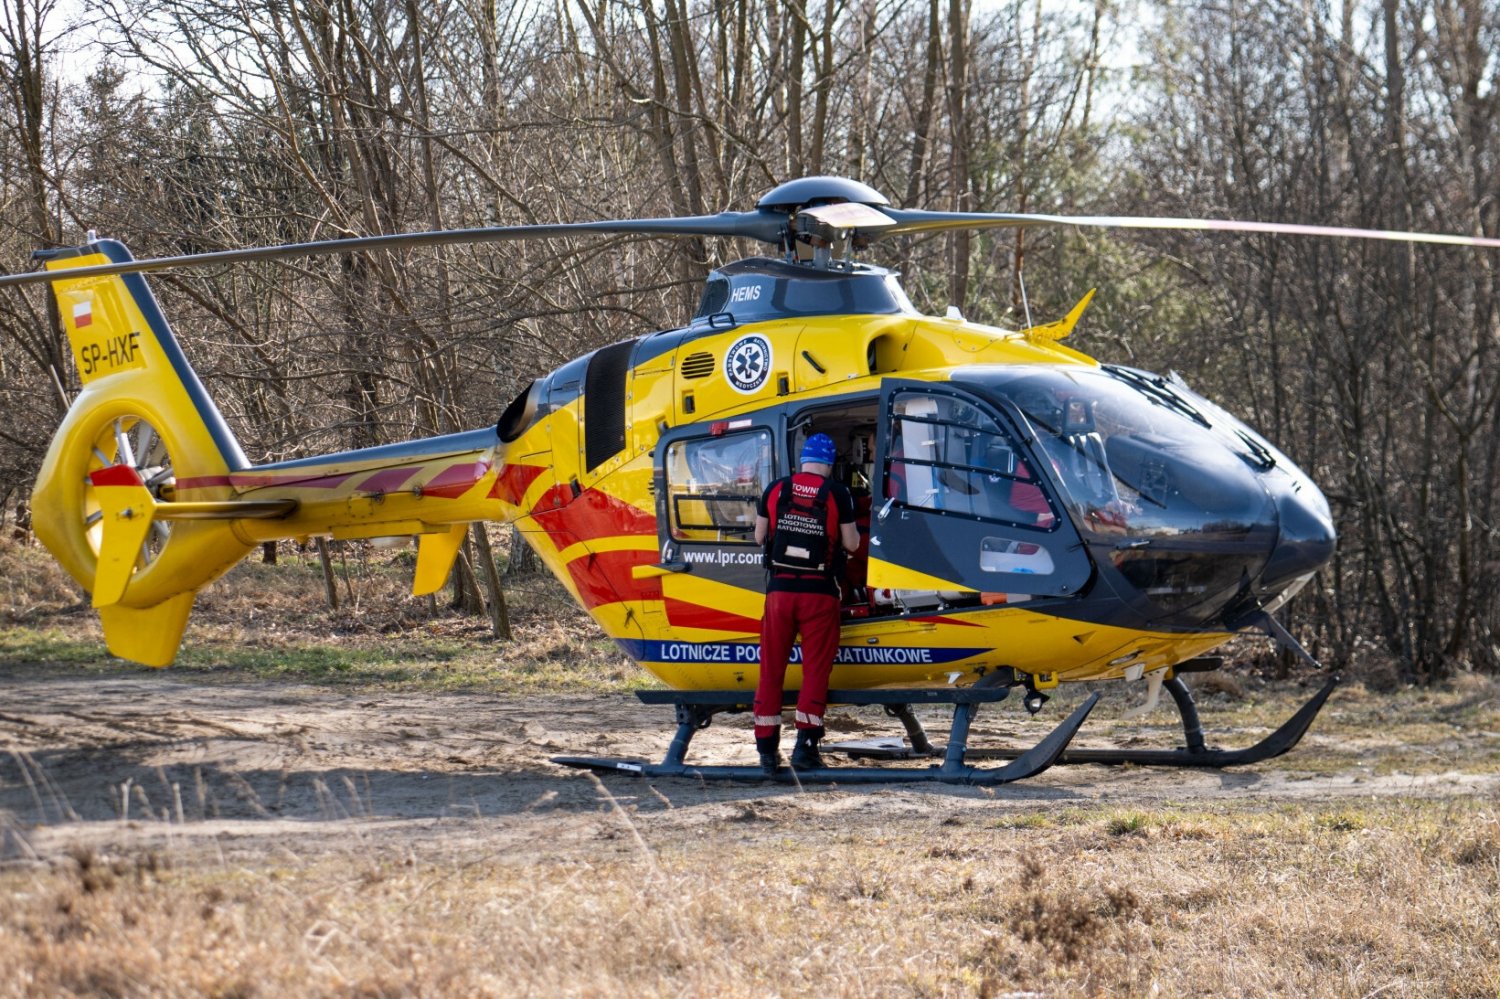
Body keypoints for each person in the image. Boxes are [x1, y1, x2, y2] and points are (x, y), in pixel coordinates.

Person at [752, 432, 859, 774]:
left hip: (780, 593)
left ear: (802, 460)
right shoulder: (837, 493)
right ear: (830, 463)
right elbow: (852, 544)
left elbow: (759, 536)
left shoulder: (776, 489)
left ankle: (766, 751)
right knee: (815, 670)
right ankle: (806, 748)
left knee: (771, 669)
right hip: (819, 594)